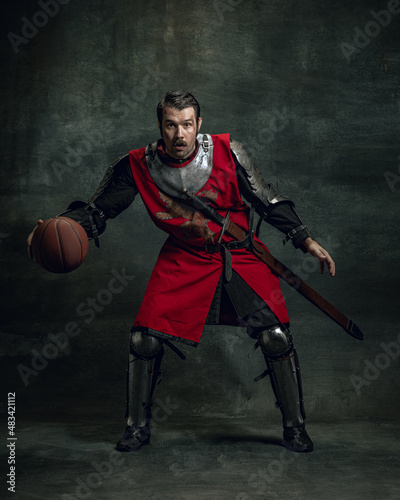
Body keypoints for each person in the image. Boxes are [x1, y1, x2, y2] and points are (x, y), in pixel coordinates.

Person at [27, 90, 335, 454]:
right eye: (171, 125)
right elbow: (98, 211)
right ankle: (136, 428)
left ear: (198, 125)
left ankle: (295, 427)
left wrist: (307, 241)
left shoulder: (229, 152)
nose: (179, 134)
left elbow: (266, 200)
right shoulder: (136, 165)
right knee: (144, 339)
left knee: (276, 337)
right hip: (185, 257)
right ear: (160, 126)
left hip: (239, 253)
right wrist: (57, 226)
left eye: (187, 124)